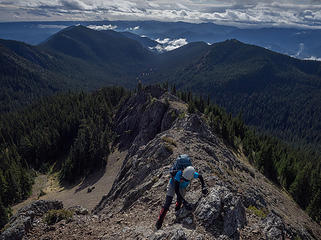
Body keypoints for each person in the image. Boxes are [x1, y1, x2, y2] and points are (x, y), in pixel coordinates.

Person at [155, 159, 208, 230]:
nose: (182, 180)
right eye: (182, 178)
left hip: (182, 187)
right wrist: (185, 202)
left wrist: (203, 187)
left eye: (185, 180)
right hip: (173, 183)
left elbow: (200, 177)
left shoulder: (193, 174)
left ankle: (177, 211)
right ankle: (159, 222)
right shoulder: (178, 174)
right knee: (168, 203)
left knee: (179, 201)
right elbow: (176, 191)